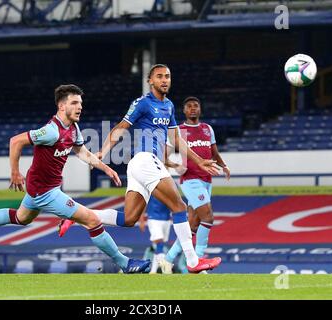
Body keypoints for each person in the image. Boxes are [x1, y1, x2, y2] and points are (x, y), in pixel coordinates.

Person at [0, 84, 151, 274]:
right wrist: (15, 172)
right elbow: (15, 141)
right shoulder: (51, 131)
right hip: (46, 192)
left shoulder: (73, 129)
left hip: (39, 189)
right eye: (74, 103)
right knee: (92, 220)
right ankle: (125, 263)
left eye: (80, 103)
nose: (80, 107)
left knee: (21, 218)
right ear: (62, 106)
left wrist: (106, 168)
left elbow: (82, 152)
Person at [59, 65, 222, 273]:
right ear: (150, 81)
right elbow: (121, 127)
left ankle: (76, 216)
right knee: (179, 207)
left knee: (129, 219)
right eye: (160, 76)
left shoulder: (169, 106)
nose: (164, 80)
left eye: (168, 76)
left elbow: (176, 139)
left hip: (141, 165)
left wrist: (199, 161)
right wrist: (102, 152)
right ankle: (193, 262)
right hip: (146, 160)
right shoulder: (143, 103)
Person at [159, 96, 231, 274]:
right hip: (190, 181)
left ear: (200, 109)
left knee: (192, 226)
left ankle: (167, 261)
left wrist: (223, 165)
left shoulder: (207, 129)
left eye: (196, 106)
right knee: (208, 217)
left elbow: (214, 151)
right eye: (189, 106)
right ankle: (198, 263)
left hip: (207, 180)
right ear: (184, 111)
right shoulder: (179, 131)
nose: (192, 108)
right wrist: (176, 166)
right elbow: (163, 157)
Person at [139, 195, 172, 274]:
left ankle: (153, 271)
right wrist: (141, 219)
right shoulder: (149, 185)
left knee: (159, 246)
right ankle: (166, 268)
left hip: (166, 219)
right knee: (159, 243)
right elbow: (143, 202)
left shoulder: (169, 184)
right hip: (153, 218)